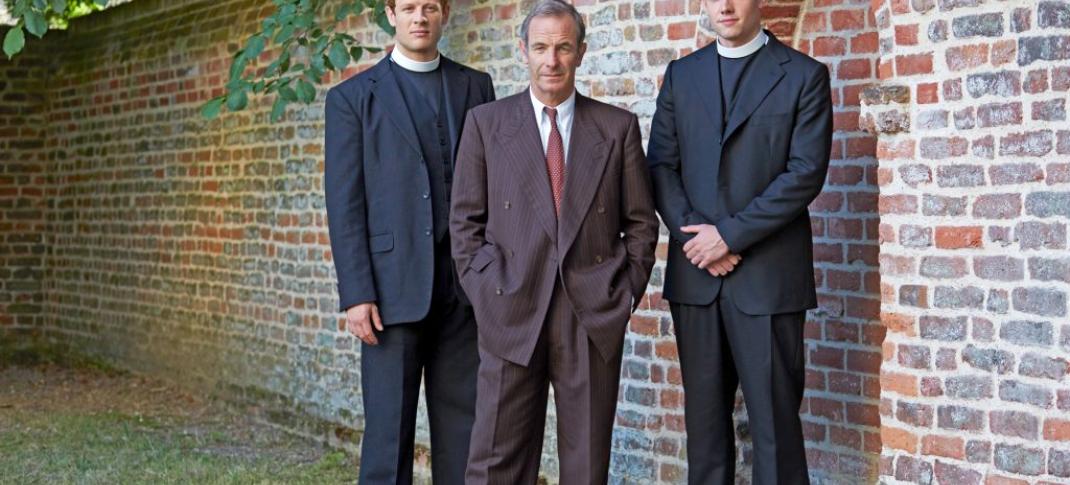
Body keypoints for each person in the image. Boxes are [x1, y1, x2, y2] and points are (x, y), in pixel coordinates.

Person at [449, 1, 658, 482]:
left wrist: (622, 293)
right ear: (523, 50)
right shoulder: (486, 124)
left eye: (563, 47)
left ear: (581, 52)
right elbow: (464, 223)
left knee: (586, 464)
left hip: (590, 312)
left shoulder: (616, 127)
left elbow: (642, 223)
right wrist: (485, 291)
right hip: (509, 305)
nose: (552, 60)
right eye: (541, 47)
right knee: (494, 460)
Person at [646, 0, 833, 482]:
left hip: (769, 279)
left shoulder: (804, 75)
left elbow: (804, 174)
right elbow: (661, 166)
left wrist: (727, 236)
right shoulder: (681, 76)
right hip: (696, 277)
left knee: (776, 432)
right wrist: (698, 240)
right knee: (704, 433)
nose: (725, 6)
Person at [323, 0, 494, 481]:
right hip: (389, 291)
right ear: (391, 14)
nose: (420, 17)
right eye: (409, 7)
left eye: (430, 7)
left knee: (466, 428)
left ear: (444, 14)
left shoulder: (475, 86)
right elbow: (345, 203)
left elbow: (492, 182)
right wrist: (357, 294)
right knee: (387, 430)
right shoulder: (352, 99)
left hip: (464, 289)